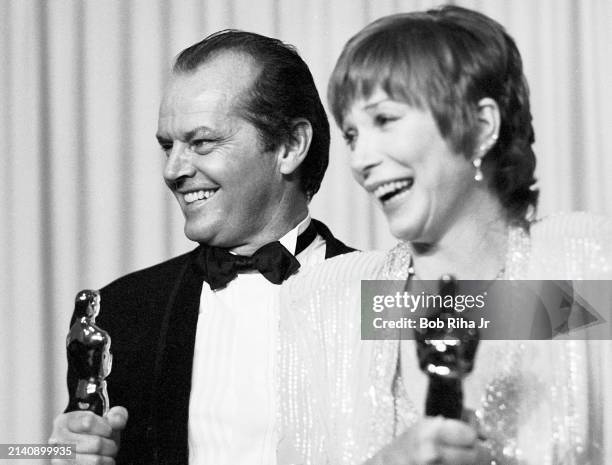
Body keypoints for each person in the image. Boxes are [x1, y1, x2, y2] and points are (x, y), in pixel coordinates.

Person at [278, 5, 612, 464]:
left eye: (385, 120)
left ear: (480, 126)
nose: (360, 160)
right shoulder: (331, 303)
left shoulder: (584, 263)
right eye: (352, 134)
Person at [49, 30, 354, 465]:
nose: (174, 170)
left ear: (290, 146)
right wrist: (49, 453)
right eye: (167, 146)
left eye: (202, 143)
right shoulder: (122, 310)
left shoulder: (386, 290)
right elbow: (27, 448)